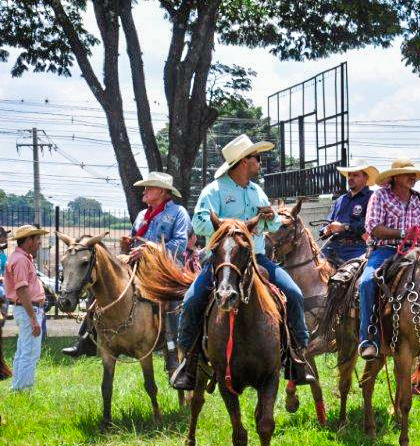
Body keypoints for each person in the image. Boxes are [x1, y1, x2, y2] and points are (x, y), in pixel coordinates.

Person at [171, 134, 314, 390]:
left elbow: (273, 225)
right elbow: (200, 223)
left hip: (257, 258)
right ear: (243, 162)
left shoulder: (257, 191)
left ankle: (297, 359)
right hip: (221, 262)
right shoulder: (213, 191)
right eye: (256, 158)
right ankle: (189, 364)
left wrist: (270, 217)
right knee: (191, 301)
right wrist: (234, 226)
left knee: (293, 293)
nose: (260, 162)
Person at [61, 172, 190, 367]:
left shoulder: (178, 213)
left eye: (149, 187)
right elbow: (133, 244)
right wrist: (126, 247)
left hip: (164, 270)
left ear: (162, 191)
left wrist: (149, 249)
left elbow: (180, 244)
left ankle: (174, 350)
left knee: (173, 301)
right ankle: (86, 338)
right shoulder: (141, 215)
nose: (144, 191)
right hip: (135, 266)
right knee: (99, 285)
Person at [358, 159, 420, 360]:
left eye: (414, 174)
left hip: (415, 253)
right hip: (385, 251)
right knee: (366, 283)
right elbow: (373, 227)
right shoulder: (380, 196)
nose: (413, 177)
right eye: (408, 174)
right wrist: (404, 234)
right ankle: (368, 339)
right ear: (394, 177)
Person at [5, 225, 48, 391]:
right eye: (37, 239)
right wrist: (33, 318)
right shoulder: (22, 260)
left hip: (25, 310)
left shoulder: (20, 258)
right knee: (30, 353)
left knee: (23, 350)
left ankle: (18, 386)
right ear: (29, 240)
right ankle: (23, 390)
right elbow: (22, 290)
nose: (39, 242)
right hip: (28, 310)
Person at [320, 159, 377, 266]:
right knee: (311, 268)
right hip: (333, 246)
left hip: (358, 247)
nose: (350, 178)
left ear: (365, 178)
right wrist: (326, 229)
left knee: (351, 275)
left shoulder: (373, 198)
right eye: (349, 175)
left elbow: (371, 227)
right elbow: (326, 224)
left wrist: (345, 227)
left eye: (355, 175)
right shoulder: (340, 200)